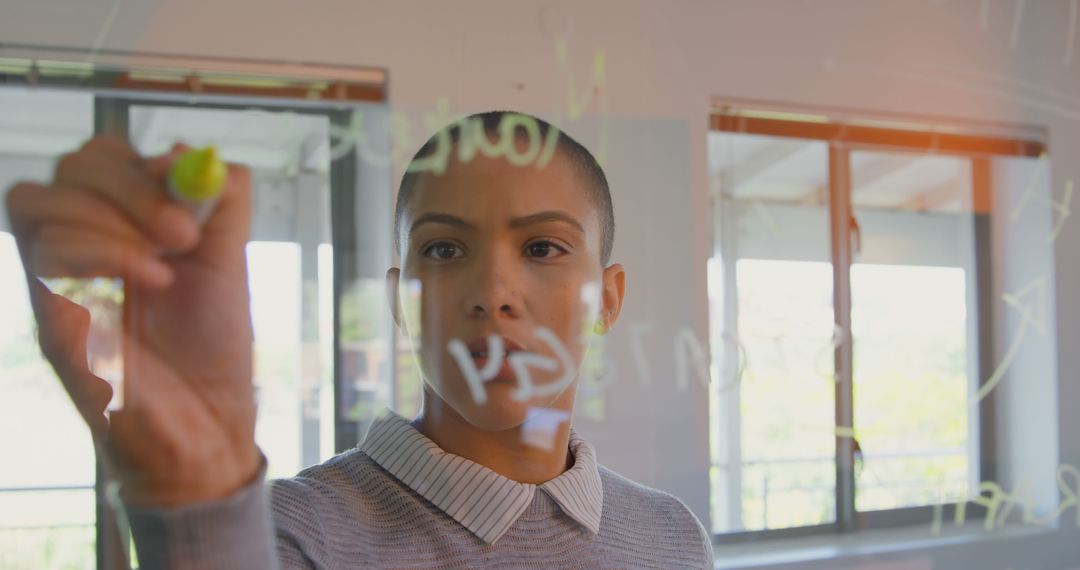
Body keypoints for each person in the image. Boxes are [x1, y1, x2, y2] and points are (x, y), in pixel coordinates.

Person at [6, 111, 714, 568]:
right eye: (442, 251)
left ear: (607, 300)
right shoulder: (293, 534)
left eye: (543, 248)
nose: (492, 292)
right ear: (401, 303)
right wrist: (192, 495)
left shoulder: (673, 536)